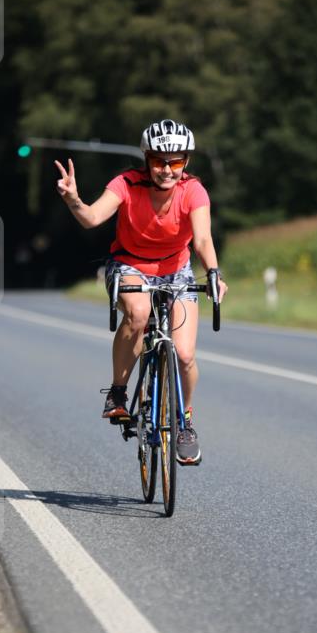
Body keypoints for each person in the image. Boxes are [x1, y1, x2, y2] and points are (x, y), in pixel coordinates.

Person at [55, 119, 227, 466]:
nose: (167, 170)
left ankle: (184, 422)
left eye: (175, 162)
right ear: (147, 159)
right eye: (159, 161)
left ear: (186, 162)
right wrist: (74, 199)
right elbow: (91, 218)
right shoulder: (126, 184)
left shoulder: (193, 190)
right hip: (129, 265)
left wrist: (213, 273)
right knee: (138, 313)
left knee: (184, 355)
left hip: (176, 270)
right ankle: (118, 392)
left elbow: (202, 239)